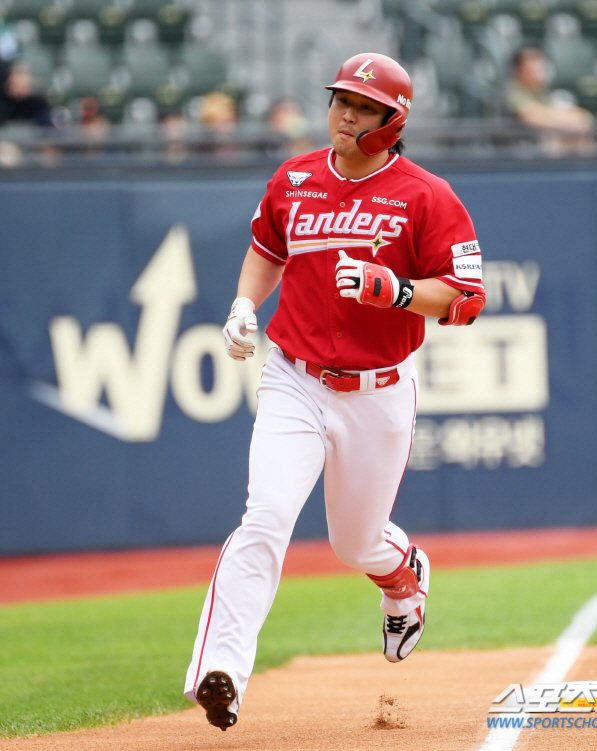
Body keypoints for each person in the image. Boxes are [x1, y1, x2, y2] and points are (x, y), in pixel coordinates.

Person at [184, 52, 486, 731]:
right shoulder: (294, 178)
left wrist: (401, 291)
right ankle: (222, 668)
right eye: (340, 100)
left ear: (393, 120)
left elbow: (468, 299)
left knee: (354, 543)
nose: (346, 113)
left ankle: (401, 572)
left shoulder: (426, 195)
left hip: (378, 389)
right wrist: (242, 304)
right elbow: (268, 248)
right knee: (264, 518)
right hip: (295, 376)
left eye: (364, 105)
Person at [505, 47, 596, 156]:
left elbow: (584, 118)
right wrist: (569, 123)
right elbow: (531, 116)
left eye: (542, 68)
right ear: (519, 70)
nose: (540, 73)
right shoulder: (513, 91)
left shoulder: (541, 93)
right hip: (520, 151)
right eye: (534, 69)